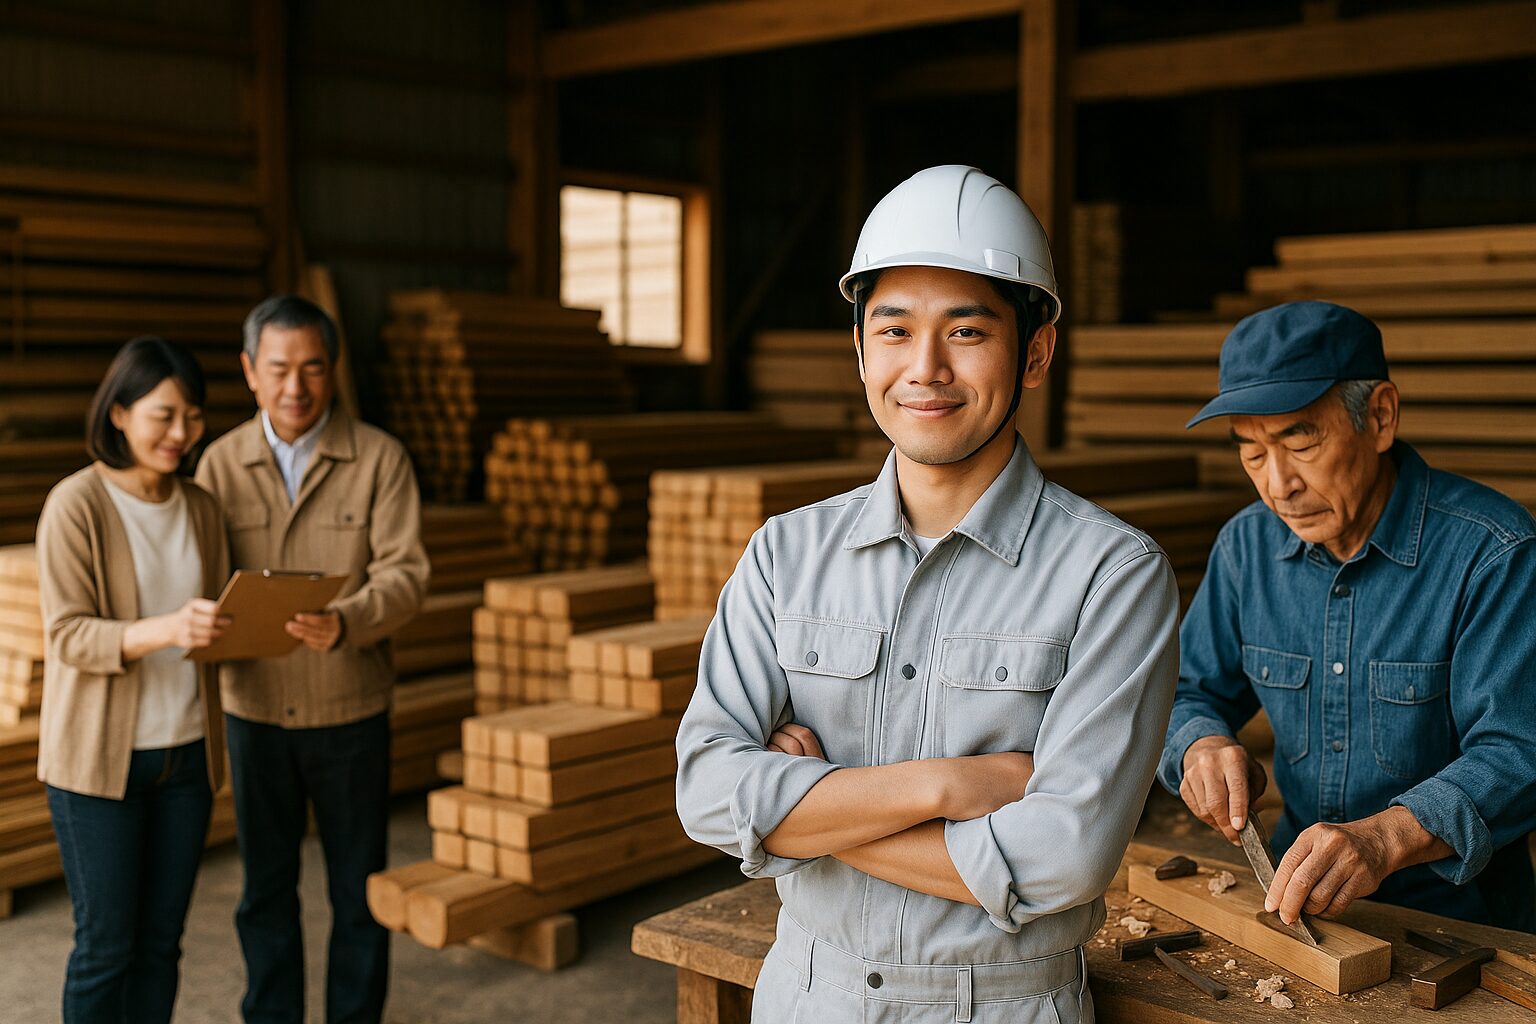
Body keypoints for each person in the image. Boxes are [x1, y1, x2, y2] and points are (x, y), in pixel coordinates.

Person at [675, 165, 1180, 1023]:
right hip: (806, 995)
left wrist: (812, 809)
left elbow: (1064, 857)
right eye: (895, 330)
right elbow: (709, 795)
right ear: (861, 353)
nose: (926, 368)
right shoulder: (783, 556)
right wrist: (948, 787)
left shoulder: (1114, 576)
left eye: (968, 332)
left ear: (1036, 351)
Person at [1158, 300, 1536, 932]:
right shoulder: (1247, 548)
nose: (1278, 485)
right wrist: (1199, 742)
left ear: (1380, 417)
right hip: (1294, 905)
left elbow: (1519, 750)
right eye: (1251, 452)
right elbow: (1187, 688)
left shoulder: (1493, 554)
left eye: (1299, 439)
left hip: (1462, 924)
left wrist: (1384, 840)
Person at [194, 295, 428, 1023]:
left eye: (313, 368)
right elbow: (196, 574)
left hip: (349, 709)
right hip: (254, 712)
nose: (296, 386)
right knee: (265, 890)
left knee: (357, 890)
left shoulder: (379, 459)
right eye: (279, 369)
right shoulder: (216, 465)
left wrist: (349, 618)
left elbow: (406, 573)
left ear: (333, 371)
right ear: (250, 373)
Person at [36, 336, 231, 1023]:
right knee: (105, 949)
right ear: (118, 413)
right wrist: (170, 629)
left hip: (185, 760)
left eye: (195, 417)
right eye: (164, 415)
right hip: (98, 769)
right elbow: (67, 635)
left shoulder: (203, 508)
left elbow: (218, 621)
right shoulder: (76, 505)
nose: (182, 434)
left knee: (161, 947)